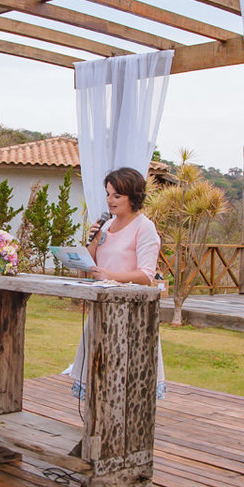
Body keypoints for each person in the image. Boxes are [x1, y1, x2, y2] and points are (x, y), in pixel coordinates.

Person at [64, 167, 167, 400]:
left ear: (134, 197)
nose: (110, 200)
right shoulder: (106, 226)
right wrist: (94, 241)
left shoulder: (145, 227)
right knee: (98, 375)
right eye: (108, 194)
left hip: (130, 314)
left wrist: (110, 275)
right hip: (102, 308)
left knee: (123, 379)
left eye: (117, 196)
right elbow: (92, 266)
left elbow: (146, 275)